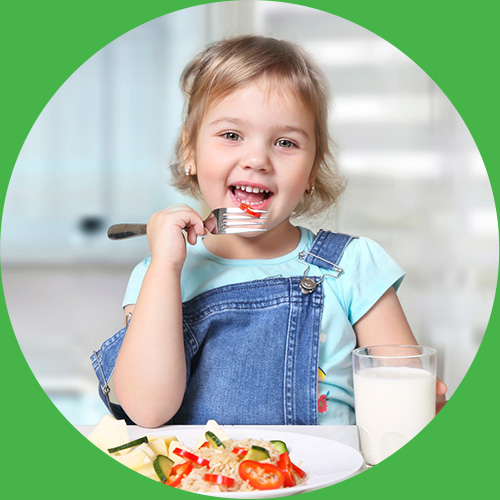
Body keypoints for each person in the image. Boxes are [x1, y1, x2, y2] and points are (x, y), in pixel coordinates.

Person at [91, 35, 447, 428]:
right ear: (190, 152)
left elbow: (404, 399)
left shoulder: (352, 266)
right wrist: (164, 268)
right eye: (231, 135)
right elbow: (146, 409)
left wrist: (424, 401)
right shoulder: (159, 273)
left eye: (285, 142)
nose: (257, 159)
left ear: (312, 172)